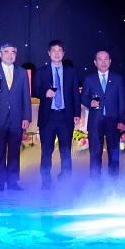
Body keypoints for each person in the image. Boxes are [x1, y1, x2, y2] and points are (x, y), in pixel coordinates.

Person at [32, 40, 81, 189]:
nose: (57, 53)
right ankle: (46, 182)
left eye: (60, 50)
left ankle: (65, 180)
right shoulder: (41, 71)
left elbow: (75, 94)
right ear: (49, 53)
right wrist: (44, 93)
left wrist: (77, 113)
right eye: (54, 50)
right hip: (48, 117)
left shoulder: (71, 72)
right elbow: (35, 90)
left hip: (66, 116)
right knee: (46, 151)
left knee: (66, 151)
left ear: (63, 53)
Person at [0, 43, 32, 191]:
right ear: (0, 54)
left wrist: (27, 117)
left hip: (17, 118)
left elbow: (26, 96)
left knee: (14, 152)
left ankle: (12, 182)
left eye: (13, 52)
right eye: (6, 51)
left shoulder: (22, 72)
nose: (10, 55)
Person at [81, 50, 125, 177]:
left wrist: (121, 120)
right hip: (95, 121)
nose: (103, 62)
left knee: (114, 152)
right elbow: (83, 97)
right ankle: (95, 181)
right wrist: (90, 102)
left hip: (113, 120)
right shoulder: (89, 79)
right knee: (95, 153)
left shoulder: (117, 79)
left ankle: (113, 181)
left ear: (110, 61)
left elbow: (122, 101)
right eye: (100, 59)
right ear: (95, 62)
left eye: (106, 59)